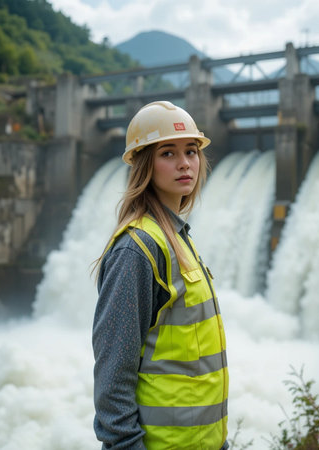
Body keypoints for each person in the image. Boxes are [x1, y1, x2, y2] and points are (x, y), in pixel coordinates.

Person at [92, 101, 229, 449]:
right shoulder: (136, 250)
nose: (185, 163)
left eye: (192, 151)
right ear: (144, 165)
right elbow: (113, 377)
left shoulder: (178, 237)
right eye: (168, 153)